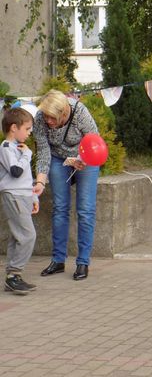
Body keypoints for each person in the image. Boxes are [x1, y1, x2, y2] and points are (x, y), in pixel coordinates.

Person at [32, 90, 100, 281]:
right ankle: (58, 260)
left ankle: (83, 262)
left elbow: (94, 141)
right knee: (60, 207)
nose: (48, 121)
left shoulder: (80, 112)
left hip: (85, 157)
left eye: (52, 118)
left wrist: (83, 159)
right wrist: (40, 181)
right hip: (57, 158)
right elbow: (43, 152)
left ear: (63, 113)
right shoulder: (40, 118)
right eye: (46, 116)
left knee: (85, 210)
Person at [0, 108, 39, 295]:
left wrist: (33, 196)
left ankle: (12, 277)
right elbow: (16, 171)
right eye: (27, 129)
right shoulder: (7, 147)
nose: (29, 133)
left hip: (23, 195)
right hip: (13, 195)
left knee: (18, 236)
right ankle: (14, 274)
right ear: (14, 128)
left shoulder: (19, 148)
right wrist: (27, 155)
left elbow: (26, 177)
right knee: (28, 235)